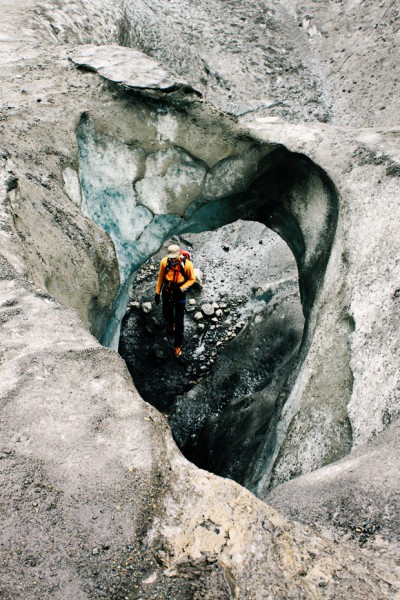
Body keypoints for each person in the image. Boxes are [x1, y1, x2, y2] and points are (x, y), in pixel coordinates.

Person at [154, 244, 196, 357]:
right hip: (167, 291)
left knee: (179, 321)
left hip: (180, 293)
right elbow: (161, 277)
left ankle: (177, 345)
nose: (172, 259)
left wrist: (181, 288)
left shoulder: (187, 264)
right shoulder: (164, 262)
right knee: (166, 313)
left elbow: (192, 279)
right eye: (170, 257)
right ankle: (171, 322)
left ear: (179, 254)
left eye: (174, 257)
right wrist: (157, 292)